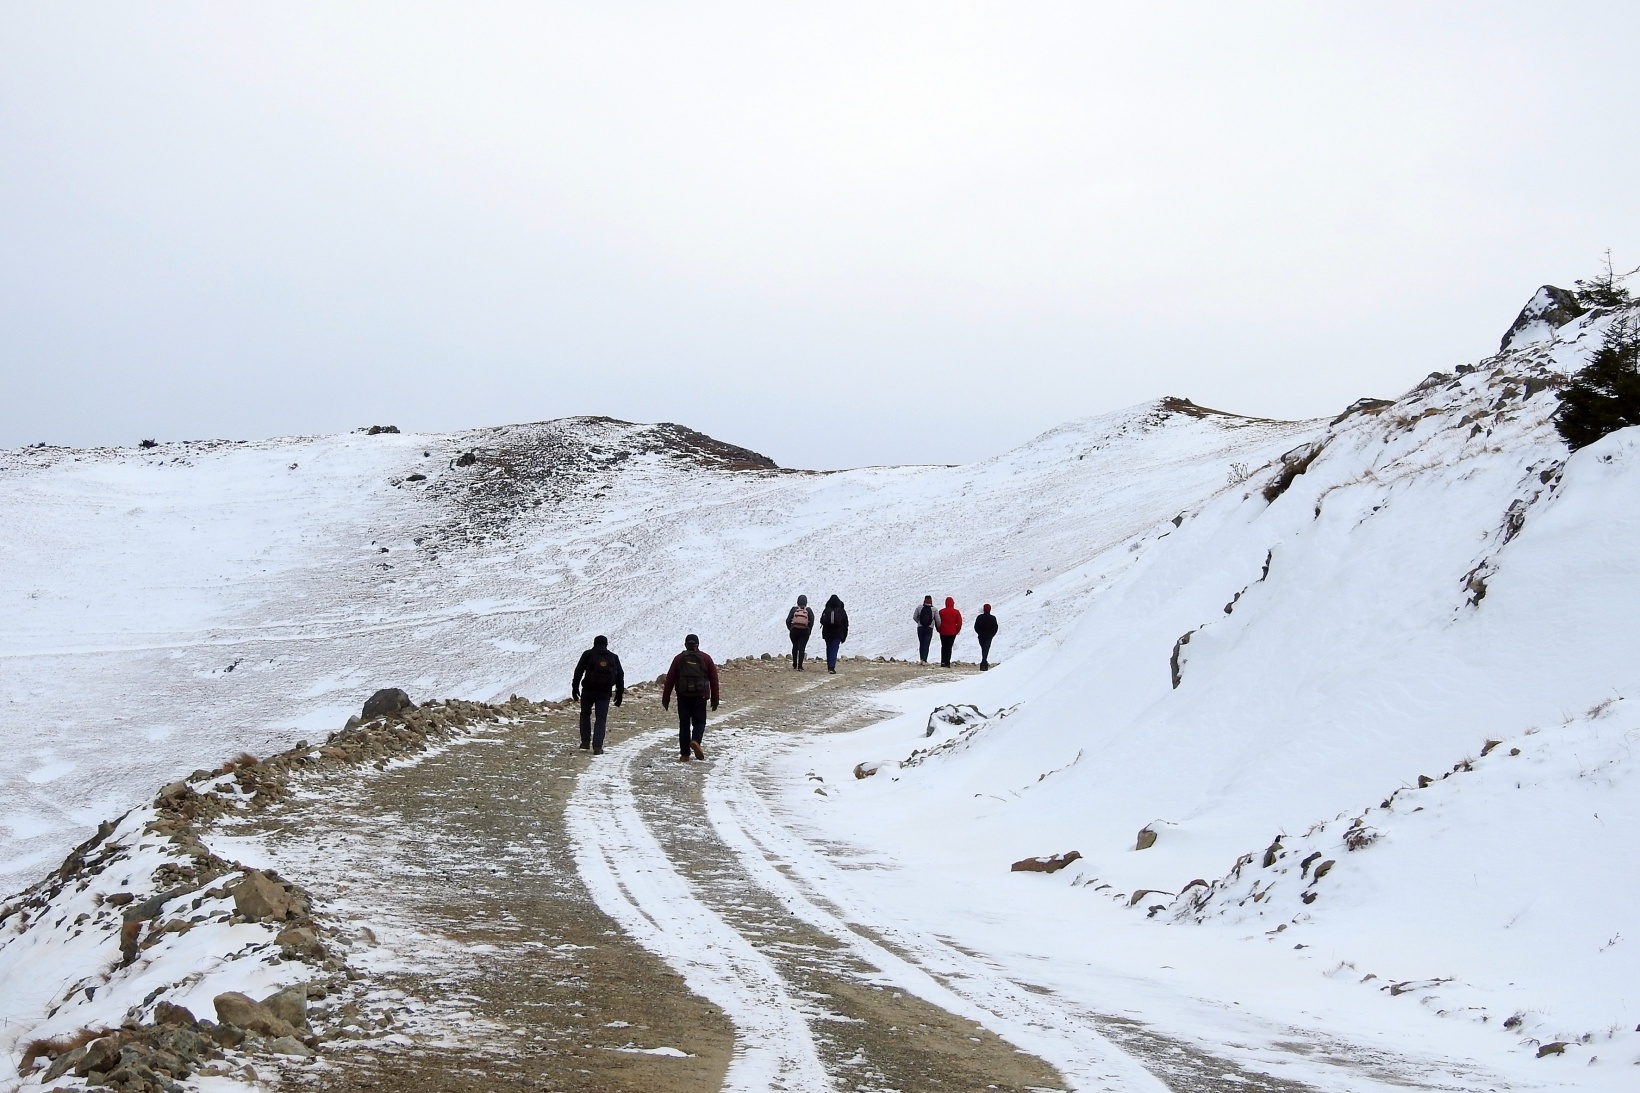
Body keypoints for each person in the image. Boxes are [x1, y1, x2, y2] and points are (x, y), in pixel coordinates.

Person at [661, 633, 720, 761]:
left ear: (685, 644)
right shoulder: (705, 658)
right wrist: (715, 698)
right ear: (698, 644)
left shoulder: (679, 659)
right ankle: (696, 741)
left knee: (684, 724)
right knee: (699, 722)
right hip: (700, 696)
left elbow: (670, 679)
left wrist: (666, 698)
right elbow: (714, 679)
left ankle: (685, 754)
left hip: (683, 696)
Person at [571, 635, 624, 754]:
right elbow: (620, 674)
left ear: (594, 643)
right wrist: (619, 693)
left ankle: (585, 742)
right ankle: (597, 746)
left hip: (588, 690)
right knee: (601, 718)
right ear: (606, 644)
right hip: (605, 692)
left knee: (585, 714)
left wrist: (575, 687)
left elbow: (578, 671)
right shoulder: (613, 657)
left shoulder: (588, 654)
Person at [819, 594, 849, 674]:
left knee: (828, 649)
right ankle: (832, 667)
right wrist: (844, 635)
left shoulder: (826, 610)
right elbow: (846, 624)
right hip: (838, 633)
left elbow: (822, 621)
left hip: (827, 633)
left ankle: (829, 666)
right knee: (834, 649)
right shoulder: (841, 611)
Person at [785, 595, 814, 670]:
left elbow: (788, 620)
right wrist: (809, 630)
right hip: (804, 631)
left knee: (795, 646)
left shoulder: (794, 609)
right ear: (806, 602)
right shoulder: (809, 610)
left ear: (798, 601)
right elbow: (812, 621)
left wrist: (790, 628)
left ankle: (794, 664)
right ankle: (800, 666)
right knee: (802, 648)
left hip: (794, 630)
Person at [936, 596, 963, 667]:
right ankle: (947, 662)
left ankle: (943, 661)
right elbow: (959, 623)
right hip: (952, 632)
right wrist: (956, 631)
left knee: (943, 646)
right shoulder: (956, 612)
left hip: (943, 632)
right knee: (949, 647)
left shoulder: (941, 612)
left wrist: (939, 629)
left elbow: (937, 622)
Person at [912, 595, 937, 664]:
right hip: (929, 628)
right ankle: (925, 660)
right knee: (926, 643)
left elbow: (914, 617)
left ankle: (921, 659)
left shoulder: (919, 608)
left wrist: (919, 622)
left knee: (921, 643)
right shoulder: (934, 609)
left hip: (920, 628)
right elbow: (938, 620)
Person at [973, 604, 999, 670]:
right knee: (986, 649)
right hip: (989, 636)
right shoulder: (993, 618)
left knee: (984, 648)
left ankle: (984, 662)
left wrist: (979, 633)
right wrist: (992, 634)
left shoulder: (979, 617)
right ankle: (984, 663)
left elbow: (976, 627)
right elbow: (995, 628)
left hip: (981, 635)